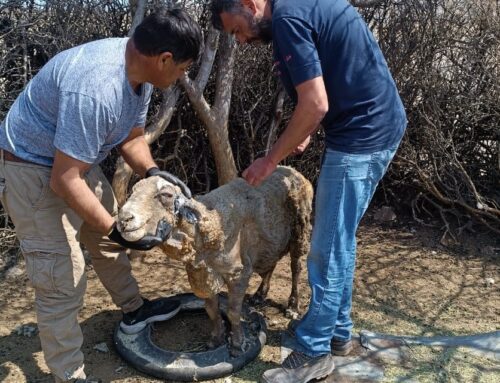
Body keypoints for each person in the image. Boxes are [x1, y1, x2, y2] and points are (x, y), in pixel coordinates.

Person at [0, 7, 202, 382]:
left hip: (74, 161)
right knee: (62, 279)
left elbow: (133, 137)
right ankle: (68, 373)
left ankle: (134, 308)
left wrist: (155, 174)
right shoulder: (96, 87)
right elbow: (64, 180)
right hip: (30, 167)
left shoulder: (139, 76)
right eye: (182, 68)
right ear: (164, 59)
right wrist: (112, 228)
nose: (181, 76)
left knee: (110, 241)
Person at [211, 0, 407, 382]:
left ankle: (314, 352)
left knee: (327, 248)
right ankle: (337, 334)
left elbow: (315, 103)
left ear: (249, 4)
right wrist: (305, 131)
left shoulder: (288, 18)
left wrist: (271, 160)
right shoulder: (298, 9)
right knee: (340, 240)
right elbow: (328, 84)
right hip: (367, 128)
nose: (241, 40)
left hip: (362, 137)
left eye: (236, 29)